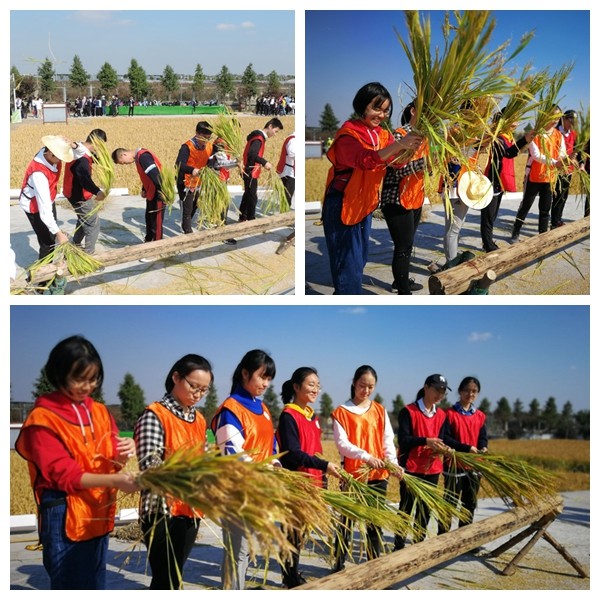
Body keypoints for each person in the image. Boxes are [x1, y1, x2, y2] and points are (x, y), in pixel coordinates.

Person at [14, 335, 139, 589]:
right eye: (78, 379)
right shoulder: (43, 419)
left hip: (98, 510)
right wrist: (116, 480)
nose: (87, 386)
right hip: (65, 514)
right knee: (72, 585)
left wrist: (126, 450)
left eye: (93, 379)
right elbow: (64, 475)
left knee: (95, 581)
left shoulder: (101, 412)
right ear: (59, 375)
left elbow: (110, 456)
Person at [322, 82, 422, 294]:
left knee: (358, 261)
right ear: (362, 106)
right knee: (348, 266)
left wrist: (412, 147)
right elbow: (365, 160)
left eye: (386, 111)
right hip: (343, 204)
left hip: (364, 205)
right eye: (377, 108)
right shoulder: (348, 134)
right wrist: (401, 144)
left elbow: (395, 162)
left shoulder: (382, 134)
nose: (382, 115)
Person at [134, 354, 214, 589]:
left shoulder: (198, 419)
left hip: (190, 508)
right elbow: (150, 465)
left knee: (174, 574)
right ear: (176, 377)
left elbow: (203, 457)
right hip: (162, 511)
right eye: (193, 386)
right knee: (166, 578)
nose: (197, 394)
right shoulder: (154, 415)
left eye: (204, 389)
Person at [210, 349, 279, 590]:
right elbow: (233, 456)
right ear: (245, 373)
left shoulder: (264, 409)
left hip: (260, 491)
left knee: (248, 550)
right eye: (262, 376)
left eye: (269, 379)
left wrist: (277, 467)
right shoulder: (231, 409)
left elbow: (272, 446)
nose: (265, 383)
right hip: (238, 492)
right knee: (237, 552)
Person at [331, 365, 403, 571]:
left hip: (378, 475)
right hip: (353, 476)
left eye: (371, 387)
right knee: (347, 522)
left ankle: (374, 565)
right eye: (363, 385)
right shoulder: (341, 412)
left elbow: (387, 441)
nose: (366, 390)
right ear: (354, 383)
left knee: (374, 522)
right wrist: (366, 457)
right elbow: (342, 444)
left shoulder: (380, 410)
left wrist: (394, 465)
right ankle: (338, 564)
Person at [276, 367, 342, 588]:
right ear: (296, 387)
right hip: (296, 484)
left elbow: (315, 450)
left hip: (312, 483)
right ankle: (289, 577)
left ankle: (293, 572)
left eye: (318, 385)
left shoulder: (312, 417)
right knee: (292, 532)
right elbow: (293, 454)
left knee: (301, 533)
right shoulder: (288, 416)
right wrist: (324, 465)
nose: (316, 389)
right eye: (311, 384)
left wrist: (322, 480)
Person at [395, 374, 452, 550]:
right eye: (437, 389)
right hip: (411, 468)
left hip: (432, 469)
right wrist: (425, 441)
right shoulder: (408, 411)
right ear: (426, 387)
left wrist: (443, 448)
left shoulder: (442, 415)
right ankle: (398, 546)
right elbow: (403, 440)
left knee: (425, 510)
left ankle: (418, 546)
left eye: (443, 391)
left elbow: (442, 439)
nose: (440, 394)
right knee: (406, 508)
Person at [380, 100, 429, 294]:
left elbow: (424, 166)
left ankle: (401, 281)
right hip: (397, 198)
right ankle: (403, 290)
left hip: (415, 197)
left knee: (408, 244)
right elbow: (397, 170)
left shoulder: (425, 137)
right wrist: (425, 163)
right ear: (413, 110)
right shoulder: (400, 135)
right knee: (402, 246)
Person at [438, 376, 488, 539]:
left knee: (470, 503)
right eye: (467, 390)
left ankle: (464, 538)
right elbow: (446, 438)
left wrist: (483, 447)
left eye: (474, 391)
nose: (470, 394)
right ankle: (443, 538)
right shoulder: (449, 414)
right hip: (454, 464)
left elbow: (482, 437)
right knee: (449, 503)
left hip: (474, 465)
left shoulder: (480, 416)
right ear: (460, 391)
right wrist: (467, 448)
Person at [510, 105, 568, 243]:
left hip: (549, 177)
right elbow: (536, 155)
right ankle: (516, 230)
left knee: (545, 208)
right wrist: (555, 162)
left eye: (558, 117)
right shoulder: (535, 134)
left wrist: (563, 159)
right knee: (526, 205)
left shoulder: (558, 135)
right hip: (534, 176)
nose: (555, 120)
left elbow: (562, 151)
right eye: (553, 117)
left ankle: (543, 235)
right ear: (545, 116)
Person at [481, 112, 535, 251]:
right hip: (492, 180)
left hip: (499, 181)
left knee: (492, 215)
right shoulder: (498, 137)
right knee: (488, 215)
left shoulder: (507, 136)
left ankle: (488, 242)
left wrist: (525, 139)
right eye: (514, 118)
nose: (517, 121)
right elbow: (509, 153)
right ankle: (488, 245)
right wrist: (525, 139)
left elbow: (511, 151)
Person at [19, 135, 72, 260]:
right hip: (34, 206)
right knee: (47, 243)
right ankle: (44, 276)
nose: (60, 161)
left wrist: (70, 144)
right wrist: (59, 233)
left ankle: (49, 270)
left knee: (51, 235)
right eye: (59, 158)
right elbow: (44, 211)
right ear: (50, 153)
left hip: (48, 198)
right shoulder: (39, 174)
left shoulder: (49, 152)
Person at [63, 129, 108, 254]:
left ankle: (76, 244)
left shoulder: (80, 148)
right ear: (97, 142)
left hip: (70, 192)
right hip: (79, 196)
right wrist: (97, 191)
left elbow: (90, 156)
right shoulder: (82, 158)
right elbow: (84, 179)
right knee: (93, 224)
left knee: (83, 219)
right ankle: (89, 255)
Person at [112, 147, 166, 247]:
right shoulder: (138, 158)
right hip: (151, 192)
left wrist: (163, 193)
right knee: (149, 219)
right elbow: (147, 175)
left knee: (156, 223)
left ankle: (158, 248)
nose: (125, 164)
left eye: (123, 162)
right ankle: (149, 241)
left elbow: (155, 175)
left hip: (158, 193)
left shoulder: (143, 157)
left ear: (123, 155)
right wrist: (144, 189)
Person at [176, 121, 219, 234]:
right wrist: (192, 170)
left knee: (195, 205)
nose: (206, 141)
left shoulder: (209, 146)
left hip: (200, 180)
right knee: (187, 207)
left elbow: (212, 160)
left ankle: (187, 223)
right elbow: (179, 164)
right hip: (186, 181)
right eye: (204, 138)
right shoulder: (187, 147)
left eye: (208, 138)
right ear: (197, 133)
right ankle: (187, 230)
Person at [239, 117, 283, 222]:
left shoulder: (256, 137)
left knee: (248, 195)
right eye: (275, 131)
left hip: (249, 169)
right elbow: (252, 154)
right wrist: (265, 162)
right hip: (250, 171)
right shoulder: (259, 138)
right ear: (270, 126)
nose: (275, 134)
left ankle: (243, 216)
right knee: (252, 197)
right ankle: (251, 219)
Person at [551, 110, 579, 229]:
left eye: (574, 121)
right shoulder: (556, 132)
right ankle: (554, 221)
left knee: (564, 195)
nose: (572, 123)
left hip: (569, 169)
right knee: (557, 195)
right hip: (558, 168)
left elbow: (578, 150)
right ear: (563, 119)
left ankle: (558, 219)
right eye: (570, 120)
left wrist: (580, 164)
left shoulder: (573, 134)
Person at [276, 130, 296, 207]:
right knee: (287, 197)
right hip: (288, 172)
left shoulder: (293, 139)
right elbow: (292, 153)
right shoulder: (293, 139)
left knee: (287, 196)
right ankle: (285, 215)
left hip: (290, 170)